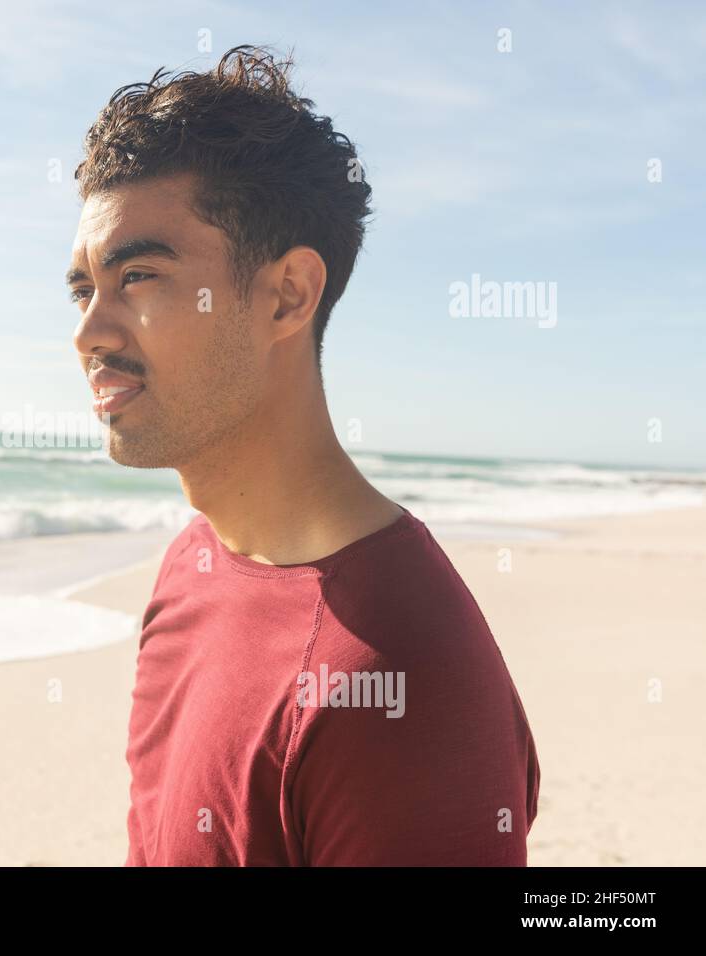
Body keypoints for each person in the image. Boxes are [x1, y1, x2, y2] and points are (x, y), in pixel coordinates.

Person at [66, 45, 541, 865]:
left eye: (138, 275)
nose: (88, 334)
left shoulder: (401, 679)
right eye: (83, 289)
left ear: (287, 294)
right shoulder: (191, 570)